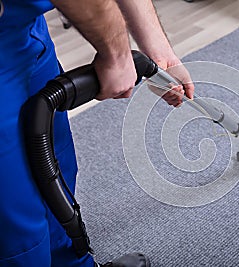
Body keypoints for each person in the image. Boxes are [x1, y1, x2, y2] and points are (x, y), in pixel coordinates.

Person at [0, 0, 194, 266]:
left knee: (56, 171)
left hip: (26, 28)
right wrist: (117, 56)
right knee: (15, 214)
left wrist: (161, 54)